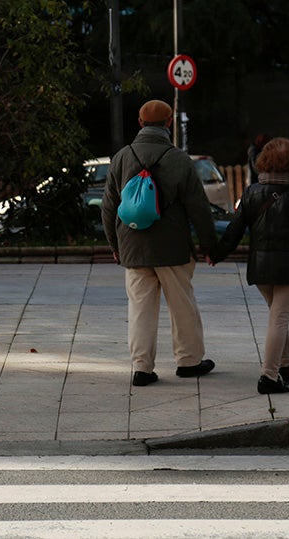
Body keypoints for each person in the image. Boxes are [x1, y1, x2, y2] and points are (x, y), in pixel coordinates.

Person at [207, 137, 289, 394]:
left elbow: (234, 231)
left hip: (260, 268)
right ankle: (268, 376)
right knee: (279, 319)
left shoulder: (251, 193)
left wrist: (217, 254)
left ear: (263, 162)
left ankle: (286, 365)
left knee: (277, 315)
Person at [101, 100, 218, 387]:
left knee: (140, 308)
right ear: (169, 124)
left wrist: (114, 243)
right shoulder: (179, 160)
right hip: (172, 247)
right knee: (182, 304)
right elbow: (199, 208)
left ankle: (142, 368)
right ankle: (189, 361)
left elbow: (108, 206)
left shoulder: (121, 157)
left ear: (140, 123)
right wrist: (208, 245)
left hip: (132, 245)